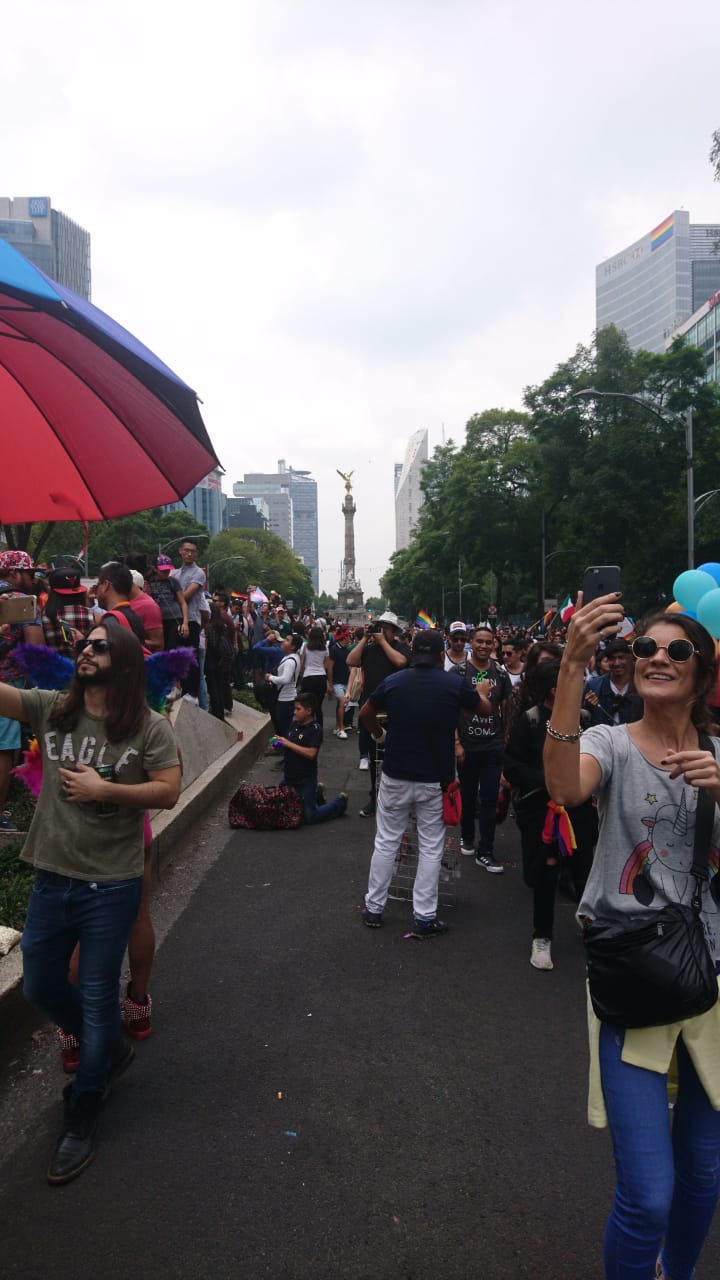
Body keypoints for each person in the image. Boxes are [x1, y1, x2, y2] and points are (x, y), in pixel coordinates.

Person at [544, 593, 720, 1280]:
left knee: (703, 1174)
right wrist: (570, 668)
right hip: (636, 976)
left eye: (678, 650)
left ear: (703, 674)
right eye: (645, 647)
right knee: (649, 1194)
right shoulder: (609, 742)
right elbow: (564, 787)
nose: (657, 658)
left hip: (714, 977)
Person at [3, 617, 180, 1184]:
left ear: (123, 658)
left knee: (100, 994)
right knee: (40, 985)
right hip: (53, 876)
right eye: (82, 643)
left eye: (99, 646)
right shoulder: (54, 708)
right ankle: (107, 1050)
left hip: (112, 882)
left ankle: (82, 1109)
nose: (85, 649)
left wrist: (106, 790)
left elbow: (170, 789)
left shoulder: (148, 727)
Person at [360, 629, 490, 936]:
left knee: (386, 841)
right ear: (441, 655)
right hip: (435, 777)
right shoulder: (455, 684)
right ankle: (424, 916)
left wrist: (379, 735)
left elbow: (366, 712)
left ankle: (374, 908)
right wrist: (482, 691)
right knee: (431, 847)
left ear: (412, 653)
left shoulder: (395, 681)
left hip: (395, 773)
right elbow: (484, 710)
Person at [503, 658, 596, 971]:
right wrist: (551, 782)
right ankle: (542, 937)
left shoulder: (586, 718)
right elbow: (512, 767)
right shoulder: (529, 721)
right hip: (542, 814)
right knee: (545, 876)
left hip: (580, 810)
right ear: (556, 690)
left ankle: (590, 927)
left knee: (586, 871)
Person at [453, 625, 512, 871]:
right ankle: (467, 835)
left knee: (489, 798)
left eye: (489, 642)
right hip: (467, 745)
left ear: (494, 645)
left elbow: (507, 709)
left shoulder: (500, 673)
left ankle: (485, 850)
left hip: (492, 745)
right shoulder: (459, 673)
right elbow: (452, 710)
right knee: (467, 797)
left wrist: (507, 742)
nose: (484, 646)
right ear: (471, 643)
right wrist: (456, 742)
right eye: (479, 641)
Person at [347, 611, 410, 817]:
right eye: (379, 627)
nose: (381, 631)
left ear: (394, 631)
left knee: (397, 757)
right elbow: (352, 660)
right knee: (374, 759)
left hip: (395, 712)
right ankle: (375, 798)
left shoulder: (400, 648)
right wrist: (365, 638)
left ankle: (398, 800)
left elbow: (401, 663)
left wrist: (384, 642)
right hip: (371, 711)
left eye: (385, 628)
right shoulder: (370, 648)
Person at [0, 550, 43, 830]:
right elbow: (36, 649)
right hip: (7, 687)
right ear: (14, 574)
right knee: (3, 750)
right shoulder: (21, 601)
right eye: (30, 573)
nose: (34, 578)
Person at [273, 692, 348, 824]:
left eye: (298, 709)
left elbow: (311, 753)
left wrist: (288, 743)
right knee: (278, 810)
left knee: (309, 816)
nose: (294, 712)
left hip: (305, 779)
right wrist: (277, 743)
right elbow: (287, 746)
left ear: (308, 711)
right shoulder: (294, 725)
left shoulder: (315, 729)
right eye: (294, 708)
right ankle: (317, 793)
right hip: (289, 779)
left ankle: (339, 803)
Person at [170, 540, 206, 702]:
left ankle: (191, 693)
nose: (189, 554)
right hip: (174, 619)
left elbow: (186, 596)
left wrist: (170, 598)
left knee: (190, 657)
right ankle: (178, 688)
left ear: (196, 553)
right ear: (180, 551)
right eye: (186, 550)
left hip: (191, 620)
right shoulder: (174, 574)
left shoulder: (198, 573)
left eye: (192, 551)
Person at [584, 636, 643, 727]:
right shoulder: (594, 686)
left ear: (631, 658)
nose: (617, 663)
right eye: (612, 658)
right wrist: (589, 706)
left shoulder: (642, 687)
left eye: (621, 657)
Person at [42, 568, 94, 656]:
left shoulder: (43, 616)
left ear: (51, 591)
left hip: (55, 667)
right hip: (83, 665)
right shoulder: (92, 614)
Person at [145, 554, 189, 651]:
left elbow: (183, 602)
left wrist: (185, 623)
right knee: (160, 647)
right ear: (156, 569)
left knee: (173, 647)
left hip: (175, 618)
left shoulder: (173, 581)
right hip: (158, 620)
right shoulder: (148, 581)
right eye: (163, 571)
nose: (166, 573)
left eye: (167, 570)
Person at [266, 633, 304, 738]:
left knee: (281, 727)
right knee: (281, 726)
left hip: (285, 699)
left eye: (287, 640)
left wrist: (270, 678)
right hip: (285, 698)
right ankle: (279, 746)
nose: (283, 641)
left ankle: (280, 747)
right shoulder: (291, 657)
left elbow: (286, 679)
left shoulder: (290, 661)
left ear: (292, 646)